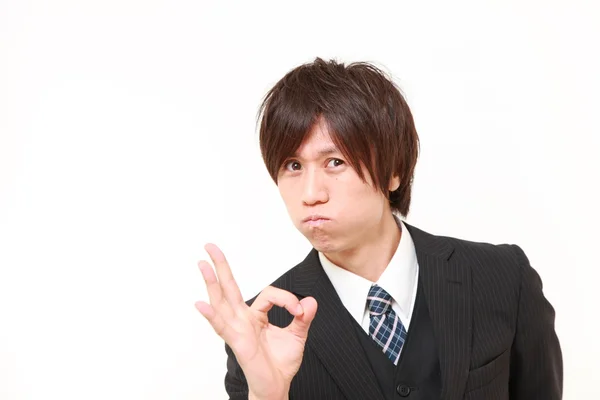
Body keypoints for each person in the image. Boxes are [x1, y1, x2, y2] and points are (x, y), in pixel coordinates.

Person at [195, 58, 563, 400]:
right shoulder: (262, 327)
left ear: (393, 172)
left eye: (334, 162)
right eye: (293, 166)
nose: (310, 194)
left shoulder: (501, 277)